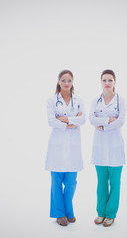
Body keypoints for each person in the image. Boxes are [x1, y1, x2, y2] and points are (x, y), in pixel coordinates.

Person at [45, 70, 85, 226]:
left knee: (71, 182)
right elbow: (51, 121)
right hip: (57, 146)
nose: (66, 83)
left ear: (72, 82)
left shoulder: (79, 100)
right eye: (63, 80)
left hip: (73, 147)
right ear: (58, 82)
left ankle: (69, 210)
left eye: (69, 80)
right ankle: (60, 214)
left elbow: (83, 120)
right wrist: (72, 122)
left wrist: (64, 119)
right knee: (56, 182)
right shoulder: (51, 101)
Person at [89, 69, 126, 227]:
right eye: (104, 80)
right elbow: (91, 119)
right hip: (99, 148)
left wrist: (102, 125)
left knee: (115, 183)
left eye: (110, 80)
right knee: (102, 183)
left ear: (115, 82)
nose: (107, 83)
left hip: (115, 148)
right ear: (101, 82)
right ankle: (101, 213)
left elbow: (121, 121)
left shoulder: (120, 100)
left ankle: (110, 214)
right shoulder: (95, 101)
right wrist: (109, 119)